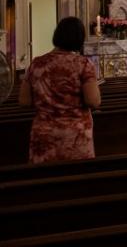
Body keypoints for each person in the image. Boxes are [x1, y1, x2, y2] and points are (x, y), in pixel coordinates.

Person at [18, 17, 101, 163]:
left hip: (44, 134)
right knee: (76, 182)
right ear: (79, 38)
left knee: (45, 182)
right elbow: (93, 101)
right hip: (75, 137)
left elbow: (24, 101)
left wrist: (47, 104)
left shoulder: (36, 64)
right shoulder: (84, 64)